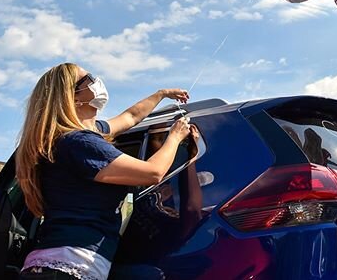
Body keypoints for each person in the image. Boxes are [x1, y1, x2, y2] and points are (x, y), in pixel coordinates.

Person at [15, 62, 199, 279]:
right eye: (88, 79)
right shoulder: (80, 143)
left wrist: (162, 94)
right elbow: (153, 173)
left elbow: (130, 117)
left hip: (54, 263)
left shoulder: (70, 139)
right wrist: (175, 137)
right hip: (69, 265)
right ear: (72, 97)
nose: (96, 81)